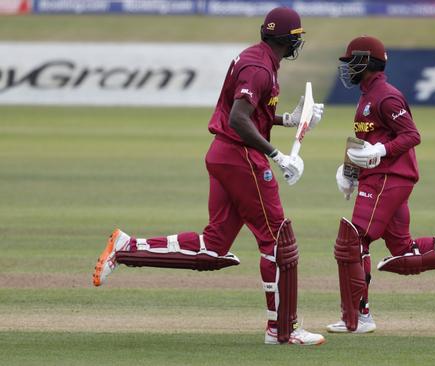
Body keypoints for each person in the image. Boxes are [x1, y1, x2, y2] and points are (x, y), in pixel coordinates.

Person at [92, 7, 326, 346]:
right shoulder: (258, 67)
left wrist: (288, 120)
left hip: (225, 155)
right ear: (284, 40)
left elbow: (254, 114)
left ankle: (127, 247)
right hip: (239, 156)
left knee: (213, 249)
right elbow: (238, 119)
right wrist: (277, 155)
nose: (296, 45)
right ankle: (282, 330)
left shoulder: (257, 60)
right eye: (295, 39)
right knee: (276, 241)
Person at [328, 36, 435, 334]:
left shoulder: (385, 96)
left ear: (367, 62)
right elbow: (365, 142)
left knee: (354, 240)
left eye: (351, 62)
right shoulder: (368, 95)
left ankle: (357, 318)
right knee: (403, 253)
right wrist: (349, 172)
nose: (347, 69)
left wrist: (380, 152)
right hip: (381, 177)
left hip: (389, 177)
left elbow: (411, 135)